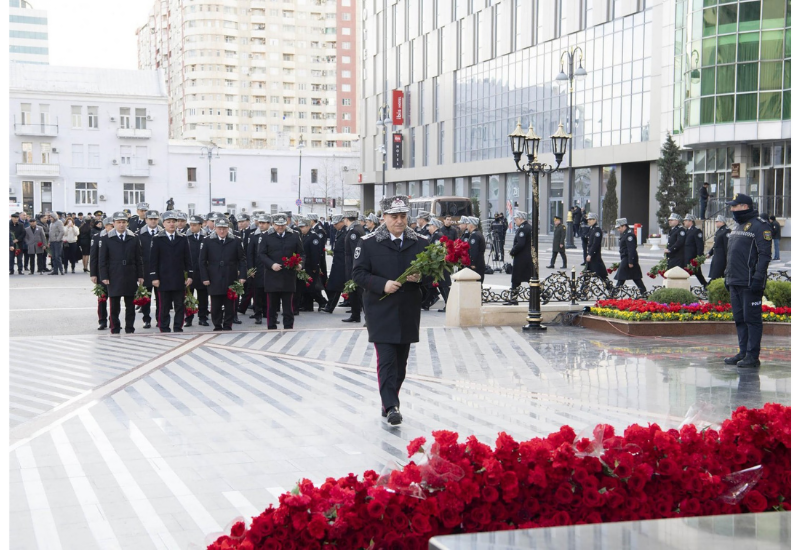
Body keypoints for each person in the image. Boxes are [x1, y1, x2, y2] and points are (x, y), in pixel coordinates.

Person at [352, 195, 428, 426]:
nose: (399, 221)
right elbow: (358, 274)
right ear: (384, 217)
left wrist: (420, 278)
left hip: (407, 310)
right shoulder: (368, 242)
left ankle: (389, 401)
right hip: (381, 309)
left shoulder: (421, 243)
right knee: (386, 360)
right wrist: (382, 284)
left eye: (403, 216)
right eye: (394, 216)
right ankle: (392, 406)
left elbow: (432, 275)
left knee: (401, 362)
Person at [723, 194, 772, 369]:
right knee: (740, 319)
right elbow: (733, 253)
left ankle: (753, 355)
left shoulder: (760, 226)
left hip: (750, 281)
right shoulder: (738, 225)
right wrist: (727, 275)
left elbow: (765, 255)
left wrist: (759, 277)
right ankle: (743, 352)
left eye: (734, 206)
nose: (731, 209)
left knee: (752, 319)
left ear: (744, 206)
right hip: (735, 279)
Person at [99, 212, 144, 334]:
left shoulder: (133, 238)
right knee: (114, 305)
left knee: (130, 304)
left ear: (127, 223)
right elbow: (102, 259)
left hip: (130, 273)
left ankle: (130, 327)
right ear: (113, 223)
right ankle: (115, 327)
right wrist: (104, 276)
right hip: (114, 274)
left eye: (124, 222)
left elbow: (138, 258)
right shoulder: (107, 238)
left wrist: (140, 275)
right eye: (118, 222)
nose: (121, 225)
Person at [199, 216, 246, 331]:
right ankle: (217, 324)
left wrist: (242, 276)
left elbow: (242, 260)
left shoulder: (236, 240)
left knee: (230, 303)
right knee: (215, 304)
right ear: (215, 228)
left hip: (230, 276)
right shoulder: (207, 241)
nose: (222, 231)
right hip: (214, 277)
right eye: (219, 228)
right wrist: (205, 277)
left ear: (228, 228)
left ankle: (227, 324)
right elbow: (202, 261)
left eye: (224, 228)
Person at [150, 211, 194, 333]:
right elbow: (153, 260)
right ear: (163, 223)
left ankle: (178, 326)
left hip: (178, 277)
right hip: (163, 278)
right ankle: (164, 327)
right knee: (164, 305)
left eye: (173, 222)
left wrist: (190, 275)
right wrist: (154, 277)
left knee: (179, 305)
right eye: (168, 222)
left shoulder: (183, 238)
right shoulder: (158, 238)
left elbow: (188, 259)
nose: (171, 224)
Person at [259, 213, 305, 330]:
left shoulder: (294, 235)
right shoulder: (266, 236)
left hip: (288, 276)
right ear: (273, 224)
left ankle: (288, 326)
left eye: (283, 225)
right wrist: (271, 264)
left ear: (287, 224)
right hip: (272, 275)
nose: (280, 227)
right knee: (272, 305)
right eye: (277, 225)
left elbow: (302, 253)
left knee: (288, 305)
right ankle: (271, 325)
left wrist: (300, 264)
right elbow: (261, 254)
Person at [137, 210, 162, 329]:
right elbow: (137, 255)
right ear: (146, 220)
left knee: (161, 297)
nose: (153, 221)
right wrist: (139, 273)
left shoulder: (163, 233)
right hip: (145, 270)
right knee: (146, 297)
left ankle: (160, 318)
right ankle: (146, 319)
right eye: (150, 219)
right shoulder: (139, 234)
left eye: (155, 219)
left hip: (160, 271)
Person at [342, 210, 367, 322]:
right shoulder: (357, 228)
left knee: (359, 292)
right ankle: (355, 315)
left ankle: (367, 317)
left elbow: (354, 252)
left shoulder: (354, 231)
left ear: (346, 219)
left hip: (353, 265)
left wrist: (354, 268)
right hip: (352, 265)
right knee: (354, 292)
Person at [612, 218, 647, 297]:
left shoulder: (629, 235)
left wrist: (630, 261)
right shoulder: (626, 234)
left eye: (619, 227)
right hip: (626, 258)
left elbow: (631, 249)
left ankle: (613, 294)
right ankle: (644, 293)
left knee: (621, 277)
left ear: (624, 226)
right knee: (636, 277)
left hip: (628, 258)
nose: (618, 229)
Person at [90, 217, 114, 329]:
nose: (112, 227)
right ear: (105, 226)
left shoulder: (116, 236)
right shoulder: (97, 237)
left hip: (114, 272)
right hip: (101, 272)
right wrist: (93, 274)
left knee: (114, 298)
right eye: (111, 225)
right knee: (102, 298)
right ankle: (102, 320)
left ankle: (113, 320)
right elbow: (94, 257)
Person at [504, 211, 532, 306]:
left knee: (516, 278)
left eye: (516, 219)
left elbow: (520, 244)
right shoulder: (528, 227)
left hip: (521, 258)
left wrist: (513, 251)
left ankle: (514, 299)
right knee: (530, 278)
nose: (515, 221)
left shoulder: (523, 229)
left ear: (521, 219)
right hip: (527, 257)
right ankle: (544, 295)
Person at [322, 214, 347, 314]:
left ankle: (330, 307)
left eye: (336, 223)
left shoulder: (345, 232)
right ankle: (329, 306)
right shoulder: (339, 231)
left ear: (342, 222)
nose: (334, 226)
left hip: (342, 264)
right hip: (337, 263)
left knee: (337, 287)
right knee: (333, 285)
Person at [582, 212, 613, 292]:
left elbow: (595, 244)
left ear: (594, 220)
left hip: (595, 257)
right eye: (588, 219)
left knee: (602, 275)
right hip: (592, 257)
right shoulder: (592, 229)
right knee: (587, 275)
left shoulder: (597, 230)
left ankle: (611, 290)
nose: (588, 221)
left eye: (590, 219)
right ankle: (583, 292)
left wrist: (590, 254)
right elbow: (586, 239)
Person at [683, 213, 708, 287]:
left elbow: (700, 245)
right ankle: (688, 288)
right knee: (690, 274)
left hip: (692, 258)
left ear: (690, 221)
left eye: (685, 220)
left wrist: (698, 258)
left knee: (697, 274)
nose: (684, 222)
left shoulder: (696, 231)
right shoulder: (687, 231)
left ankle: (706, 287)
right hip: (686, 257)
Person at [706, 215, 730, 281]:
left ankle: (707, 288)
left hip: (721, 257)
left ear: (722, 222)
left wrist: (727, 258)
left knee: (717, 275)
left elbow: (726, 246)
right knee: (715, 274)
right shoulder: (719, 231)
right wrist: (710, 253)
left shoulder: (726, 231)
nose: (716, 223)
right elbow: (716, 244)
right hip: (717, 255)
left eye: (717, 221)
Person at [465, 217, 486, 284]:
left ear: (471, 225)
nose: (467, 226)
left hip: (476, 264)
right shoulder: (478, 233)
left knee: (475, 284)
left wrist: (472, 262)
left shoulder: (474, 235)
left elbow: (474, 250)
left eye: (467, 225)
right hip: (480, 262)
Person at [46, 211, 66, 275]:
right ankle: (55, 270)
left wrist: (58, 239)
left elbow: (62, 231)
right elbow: (50, 233)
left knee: (57, 256)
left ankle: (61, 270)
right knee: (53, 257)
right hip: (52, 241)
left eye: (51, 217)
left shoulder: (59, 222)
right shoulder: (51, 224)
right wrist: (49, 241)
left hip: (57, 242)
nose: (50, 218)